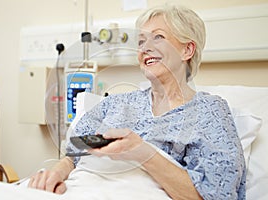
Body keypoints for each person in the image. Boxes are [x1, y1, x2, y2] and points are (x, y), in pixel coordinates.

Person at [28, 4, 246, 199]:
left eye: (158, 37)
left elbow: (217, 194)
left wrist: (141, 152)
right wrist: (55, 175)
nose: (144, 48)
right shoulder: (115, 103)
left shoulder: (210, 111)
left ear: (187, 50)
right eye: (141, 41)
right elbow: (75, 151)